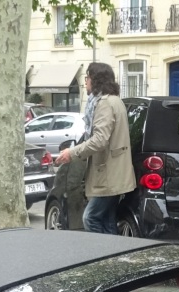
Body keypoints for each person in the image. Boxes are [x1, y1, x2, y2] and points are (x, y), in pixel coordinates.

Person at [54, 62, 134, 234]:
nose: (85, 82)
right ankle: (114, 256)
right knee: (107, 219)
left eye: (88, 77)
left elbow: (99, 140)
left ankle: (103, 255)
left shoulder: (104, 104)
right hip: (112, 175)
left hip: (108, 175)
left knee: (90, 218)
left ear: (96, 80)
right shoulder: (115, 101)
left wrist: (72, 153)